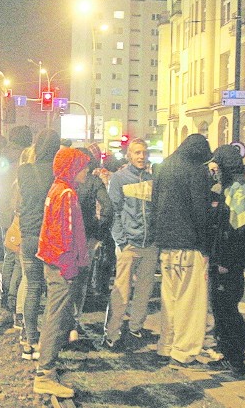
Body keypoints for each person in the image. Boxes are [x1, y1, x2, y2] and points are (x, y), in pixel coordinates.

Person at [153, 133, 218, 369]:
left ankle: (166, 345)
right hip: (189, 245)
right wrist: (206, 244)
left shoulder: (162, 167)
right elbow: (200, 212)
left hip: (166, 244)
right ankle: (184, 352)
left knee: (169, 300)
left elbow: (154, 204)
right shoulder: (196, 170)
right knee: (190, 302)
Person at [33, 147, 90, 398]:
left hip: (53, 263)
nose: (87, 171)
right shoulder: (67, 194)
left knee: (53, 315)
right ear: (73, 168)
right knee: (56, 318)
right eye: (83, 166)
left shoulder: (57, 189)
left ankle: (47, 368)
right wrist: (70, 268)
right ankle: (45, 374)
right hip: (62, 266)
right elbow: (64, 235)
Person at [209, 145, 245, 378]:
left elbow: (238, 231)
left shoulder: (238, 191)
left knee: (227, 310)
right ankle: (231, 355)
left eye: (217, 165)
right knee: (223, 309)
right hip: (229, 261)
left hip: (228, 263)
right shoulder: (237, 187)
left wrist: (225, 260)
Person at [103, 138, 157, 352]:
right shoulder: (119, 179)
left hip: (150, 244)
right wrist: (121, 240)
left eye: (144, 152)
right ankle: (112, 332)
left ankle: (136, 327)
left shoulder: (152, 179)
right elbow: (114, 211)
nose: (141, 156)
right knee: (121, 292)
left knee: (144, 290)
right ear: (129, 155)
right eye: (137, 152)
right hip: (129, 244)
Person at [17, 129, 61, 361]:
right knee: (54, 290)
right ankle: (50, 341)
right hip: (51, 237)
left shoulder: (25, 171)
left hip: (29, 235)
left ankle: (29, 341)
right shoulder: (57, 173)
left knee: (33, 287)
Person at [71, 146, 112, 340]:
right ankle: (74, 322)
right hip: (87, 236)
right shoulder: (94, 181)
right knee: (81, 280)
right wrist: (99, 234)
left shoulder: (65, 181)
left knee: (64, 281)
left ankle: (64, 322)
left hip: (66, 237)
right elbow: (108, 208)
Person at [0, 125, 33, 324]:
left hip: (4, 214)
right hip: (19, 215)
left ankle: (6, 301)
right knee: (19, 261)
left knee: (9, 258)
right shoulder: (25, 160)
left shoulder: (2, 159)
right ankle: (13, 302)